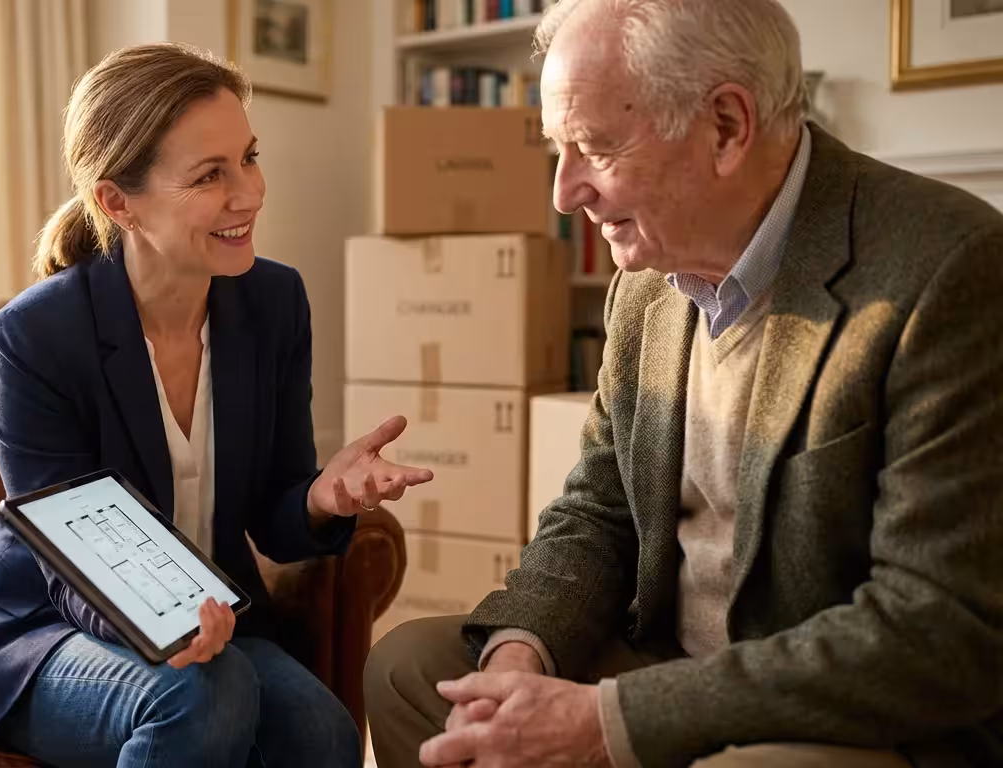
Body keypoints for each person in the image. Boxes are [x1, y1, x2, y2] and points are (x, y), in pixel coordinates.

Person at [364, 0, 1003, 767]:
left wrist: (610, 722)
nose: (564, 194)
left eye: (594, 148)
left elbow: (934, 629)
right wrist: (519, 656)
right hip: (668, 659)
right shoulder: (645, 282)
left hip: (840, 714)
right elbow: (599, 509)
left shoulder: (947, 269)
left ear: (727, 127)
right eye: (558, 150)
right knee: (410, 671)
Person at [0, 42, 433, 768]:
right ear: (117, 202)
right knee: (200, 694)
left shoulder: (275, 303)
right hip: (44, 633)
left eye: (248, 159)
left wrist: (322, 498)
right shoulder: (34, 337)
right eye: (209, 175)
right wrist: (165, 626)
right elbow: (68, 559)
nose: (249, 194)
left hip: (214, 626)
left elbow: (273, 514)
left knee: (322, 733)